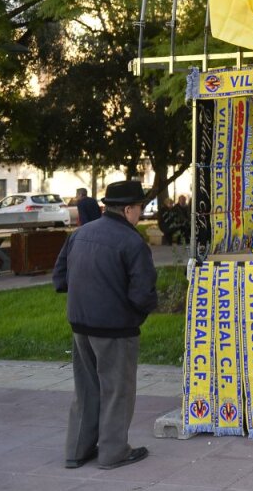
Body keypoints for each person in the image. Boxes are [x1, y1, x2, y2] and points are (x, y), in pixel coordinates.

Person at [52, 179, 157, 471]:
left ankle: (76, 451)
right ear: (127, 209)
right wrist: (135, 318)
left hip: (80, 323)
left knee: (86, 389)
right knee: (117, 391)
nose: (141, 213)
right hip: (115, 328)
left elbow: (60, 278)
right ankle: (113, 452)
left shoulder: (81, 233)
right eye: (139, 207)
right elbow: (143, 293)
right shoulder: (132, 241)